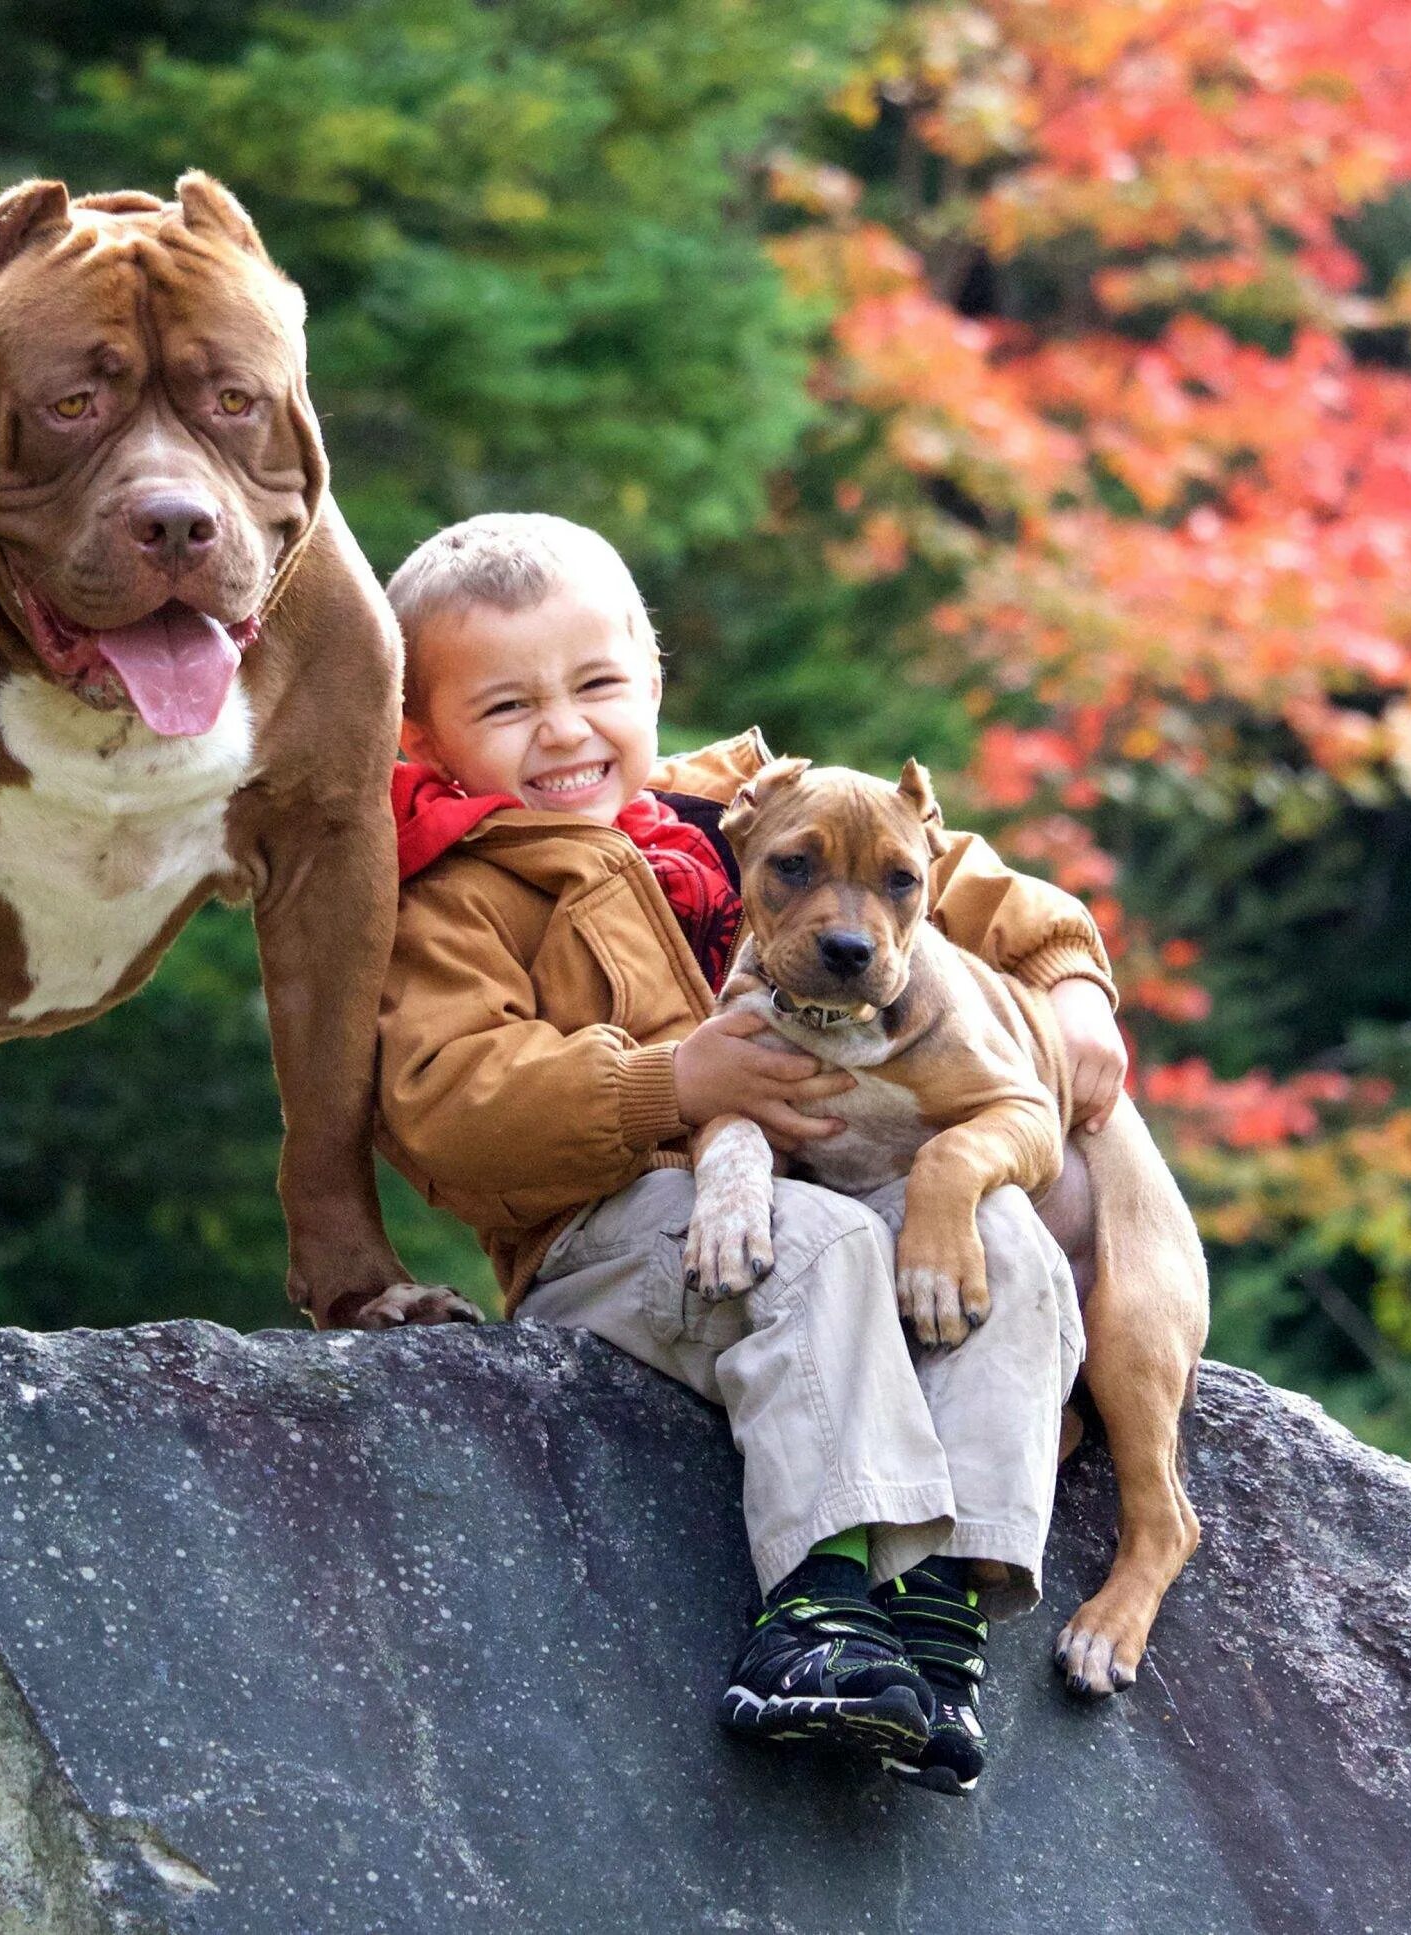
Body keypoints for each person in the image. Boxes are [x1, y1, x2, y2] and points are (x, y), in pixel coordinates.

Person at [375, 513, 1126, 1794]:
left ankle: (943, 1608)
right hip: (616, 1233)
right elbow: (446, 1105)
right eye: (506, 705)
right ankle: (820, 1613)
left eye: (597, 686)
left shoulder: (748, 800)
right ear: (419, 734)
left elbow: (951, 872)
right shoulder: (450, 890)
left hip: (826, 1178)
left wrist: (1069, 983)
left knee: (998, 1235)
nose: (563, 731)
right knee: (821, 1247)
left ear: (653, 681)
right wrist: (668, 1081)